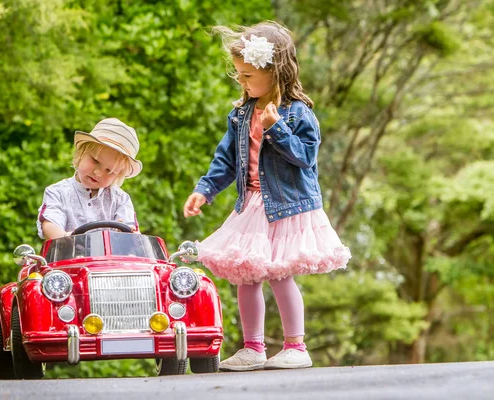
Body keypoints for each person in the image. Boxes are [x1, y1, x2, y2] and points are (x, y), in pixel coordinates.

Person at [183, 21, 351, 371]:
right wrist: (205, 189)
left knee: (279, 274)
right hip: (253, 205)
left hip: (287, 206)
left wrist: (278, 128)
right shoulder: (241, 114)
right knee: (247, 274)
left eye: (247, 76)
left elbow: (305, 157)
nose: (241, 82)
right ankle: (253, 347)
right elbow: (226, 159)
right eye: (240, 76)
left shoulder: (298, 112)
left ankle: (296, 346)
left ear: (274, 72)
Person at [37, 118, 143, 240]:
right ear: (81, 153)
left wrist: (127, 234)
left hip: (109, 259)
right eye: (95, 161)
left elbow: (133, 239)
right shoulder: (57, 192)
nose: (98, 173)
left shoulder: (120, 200)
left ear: (118, 176)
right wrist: (66, 237)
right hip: (68, 256)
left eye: (109, 171)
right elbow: (50, 225)